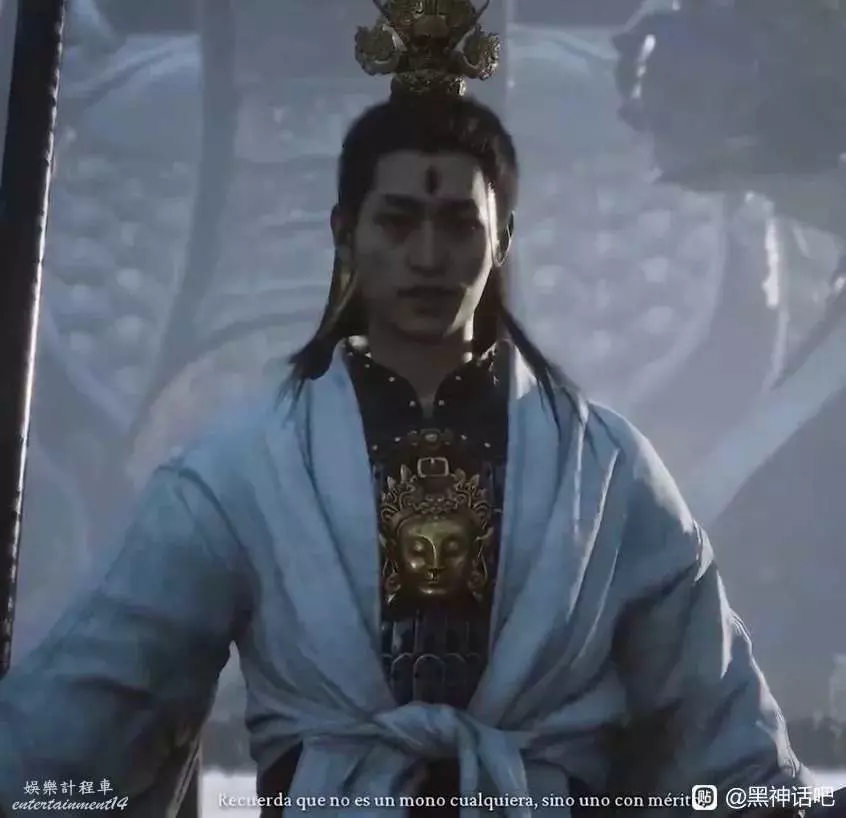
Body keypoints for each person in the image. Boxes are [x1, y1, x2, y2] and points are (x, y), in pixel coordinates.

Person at [0, 2, 828, 816]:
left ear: (503, 237)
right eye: (398, 222)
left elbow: (728, 749)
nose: (428, 256)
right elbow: (81, 721)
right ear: (346, 232)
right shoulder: (245, 469)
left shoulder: (607, 473)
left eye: (458, 224)